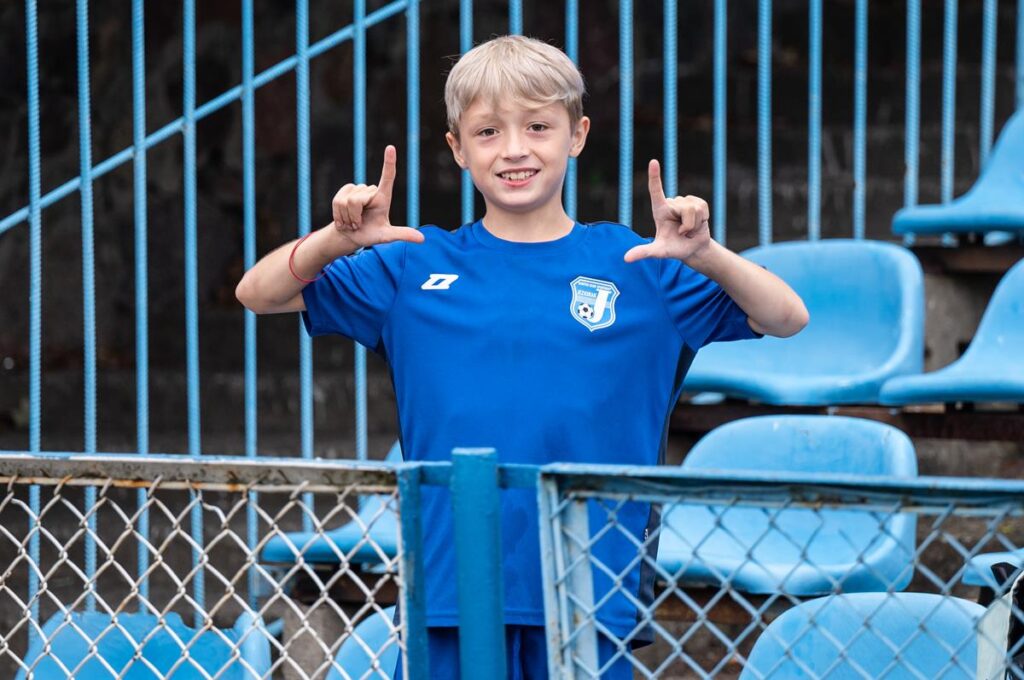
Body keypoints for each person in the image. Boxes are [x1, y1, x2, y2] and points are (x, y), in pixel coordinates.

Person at [236, 34, 807, 680]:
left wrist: (706, 254)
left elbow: (785, 316)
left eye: (538, 126)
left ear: (577, 134)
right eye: (487, 131)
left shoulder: (641, 264)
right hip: (452, 587)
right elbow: (258, 294)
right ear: (457, 148)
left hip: (591, 589)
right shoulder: (411, 264)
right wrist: (334, 241)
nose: (513, 149)